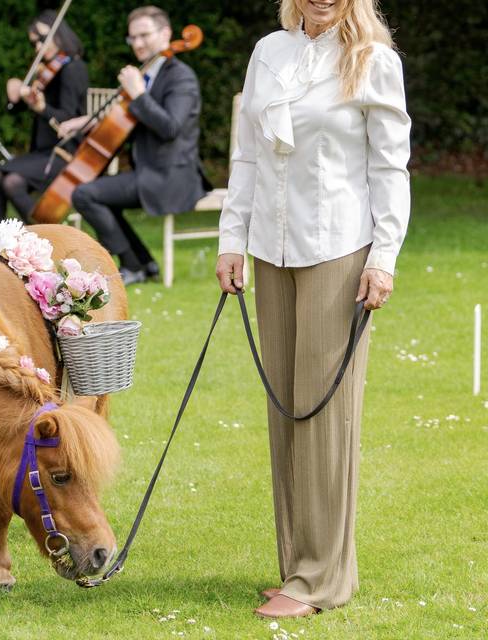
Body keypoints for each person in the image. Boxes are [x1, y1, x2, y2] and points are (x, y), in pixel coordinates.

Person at [215, 0, 410, 619]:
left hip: (338, 250)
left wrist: (384, 256)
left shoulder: (373, 60)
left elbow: (390, 165)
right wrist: (231, 238)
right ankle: (295, 565)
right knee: (286, 409)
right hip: (272, 250)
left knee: (326, 415)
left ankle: (323, 580)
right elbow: (247, 154)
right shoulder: (269, 52)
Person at [67, 5, 210, 285]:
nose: (138, 43)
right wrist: (89, 121)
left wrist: (138, 93)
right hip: (149, 171)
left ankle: (132, 265)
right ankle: (144, 262)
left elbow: (170, 127)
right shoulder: (148, 74)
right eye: (133, 38)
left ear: (166, 33)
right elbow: (128, 120)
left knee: (85, 194)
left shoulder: (181, 77)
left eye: (145, 35)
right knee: (95, 195)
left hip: (172, 175)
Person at [0, 10, 88, 224]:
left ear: (59, 34)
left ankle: (44, 239)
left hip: (66, 153)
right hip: (43, 153)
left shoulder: (73, 69)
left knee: (6, 179)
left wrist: (42, 108)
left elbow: (67, 120)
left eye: (42, 40)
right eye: (34, 43)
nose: (38, 47)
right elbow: (16, 110)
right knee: (0, 177)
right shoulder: (47, 71)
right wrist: (14, 96)